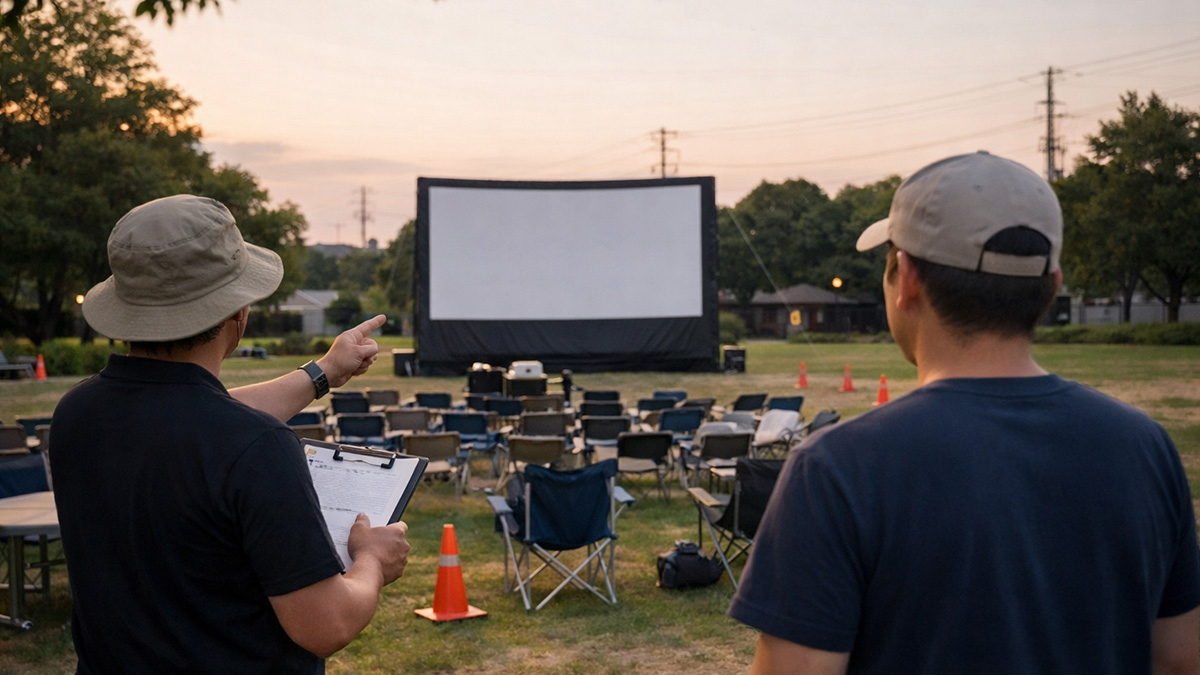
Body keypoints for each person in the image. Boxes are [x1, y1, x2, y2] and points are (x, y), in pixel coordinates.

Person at [728, 152, 1200, 674]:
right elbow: (1180, 660)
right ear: (1052, 283)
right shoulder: (1144, 447)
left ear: (905, 278)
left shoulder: (836, 470)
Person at [50, 195, 411, 673]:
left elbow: (195, 420)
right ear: (237, 312)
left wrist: (323, 372)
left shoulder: (76, 413)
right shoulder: (256, 448)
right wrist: (371, 561)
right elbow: (327, 625)